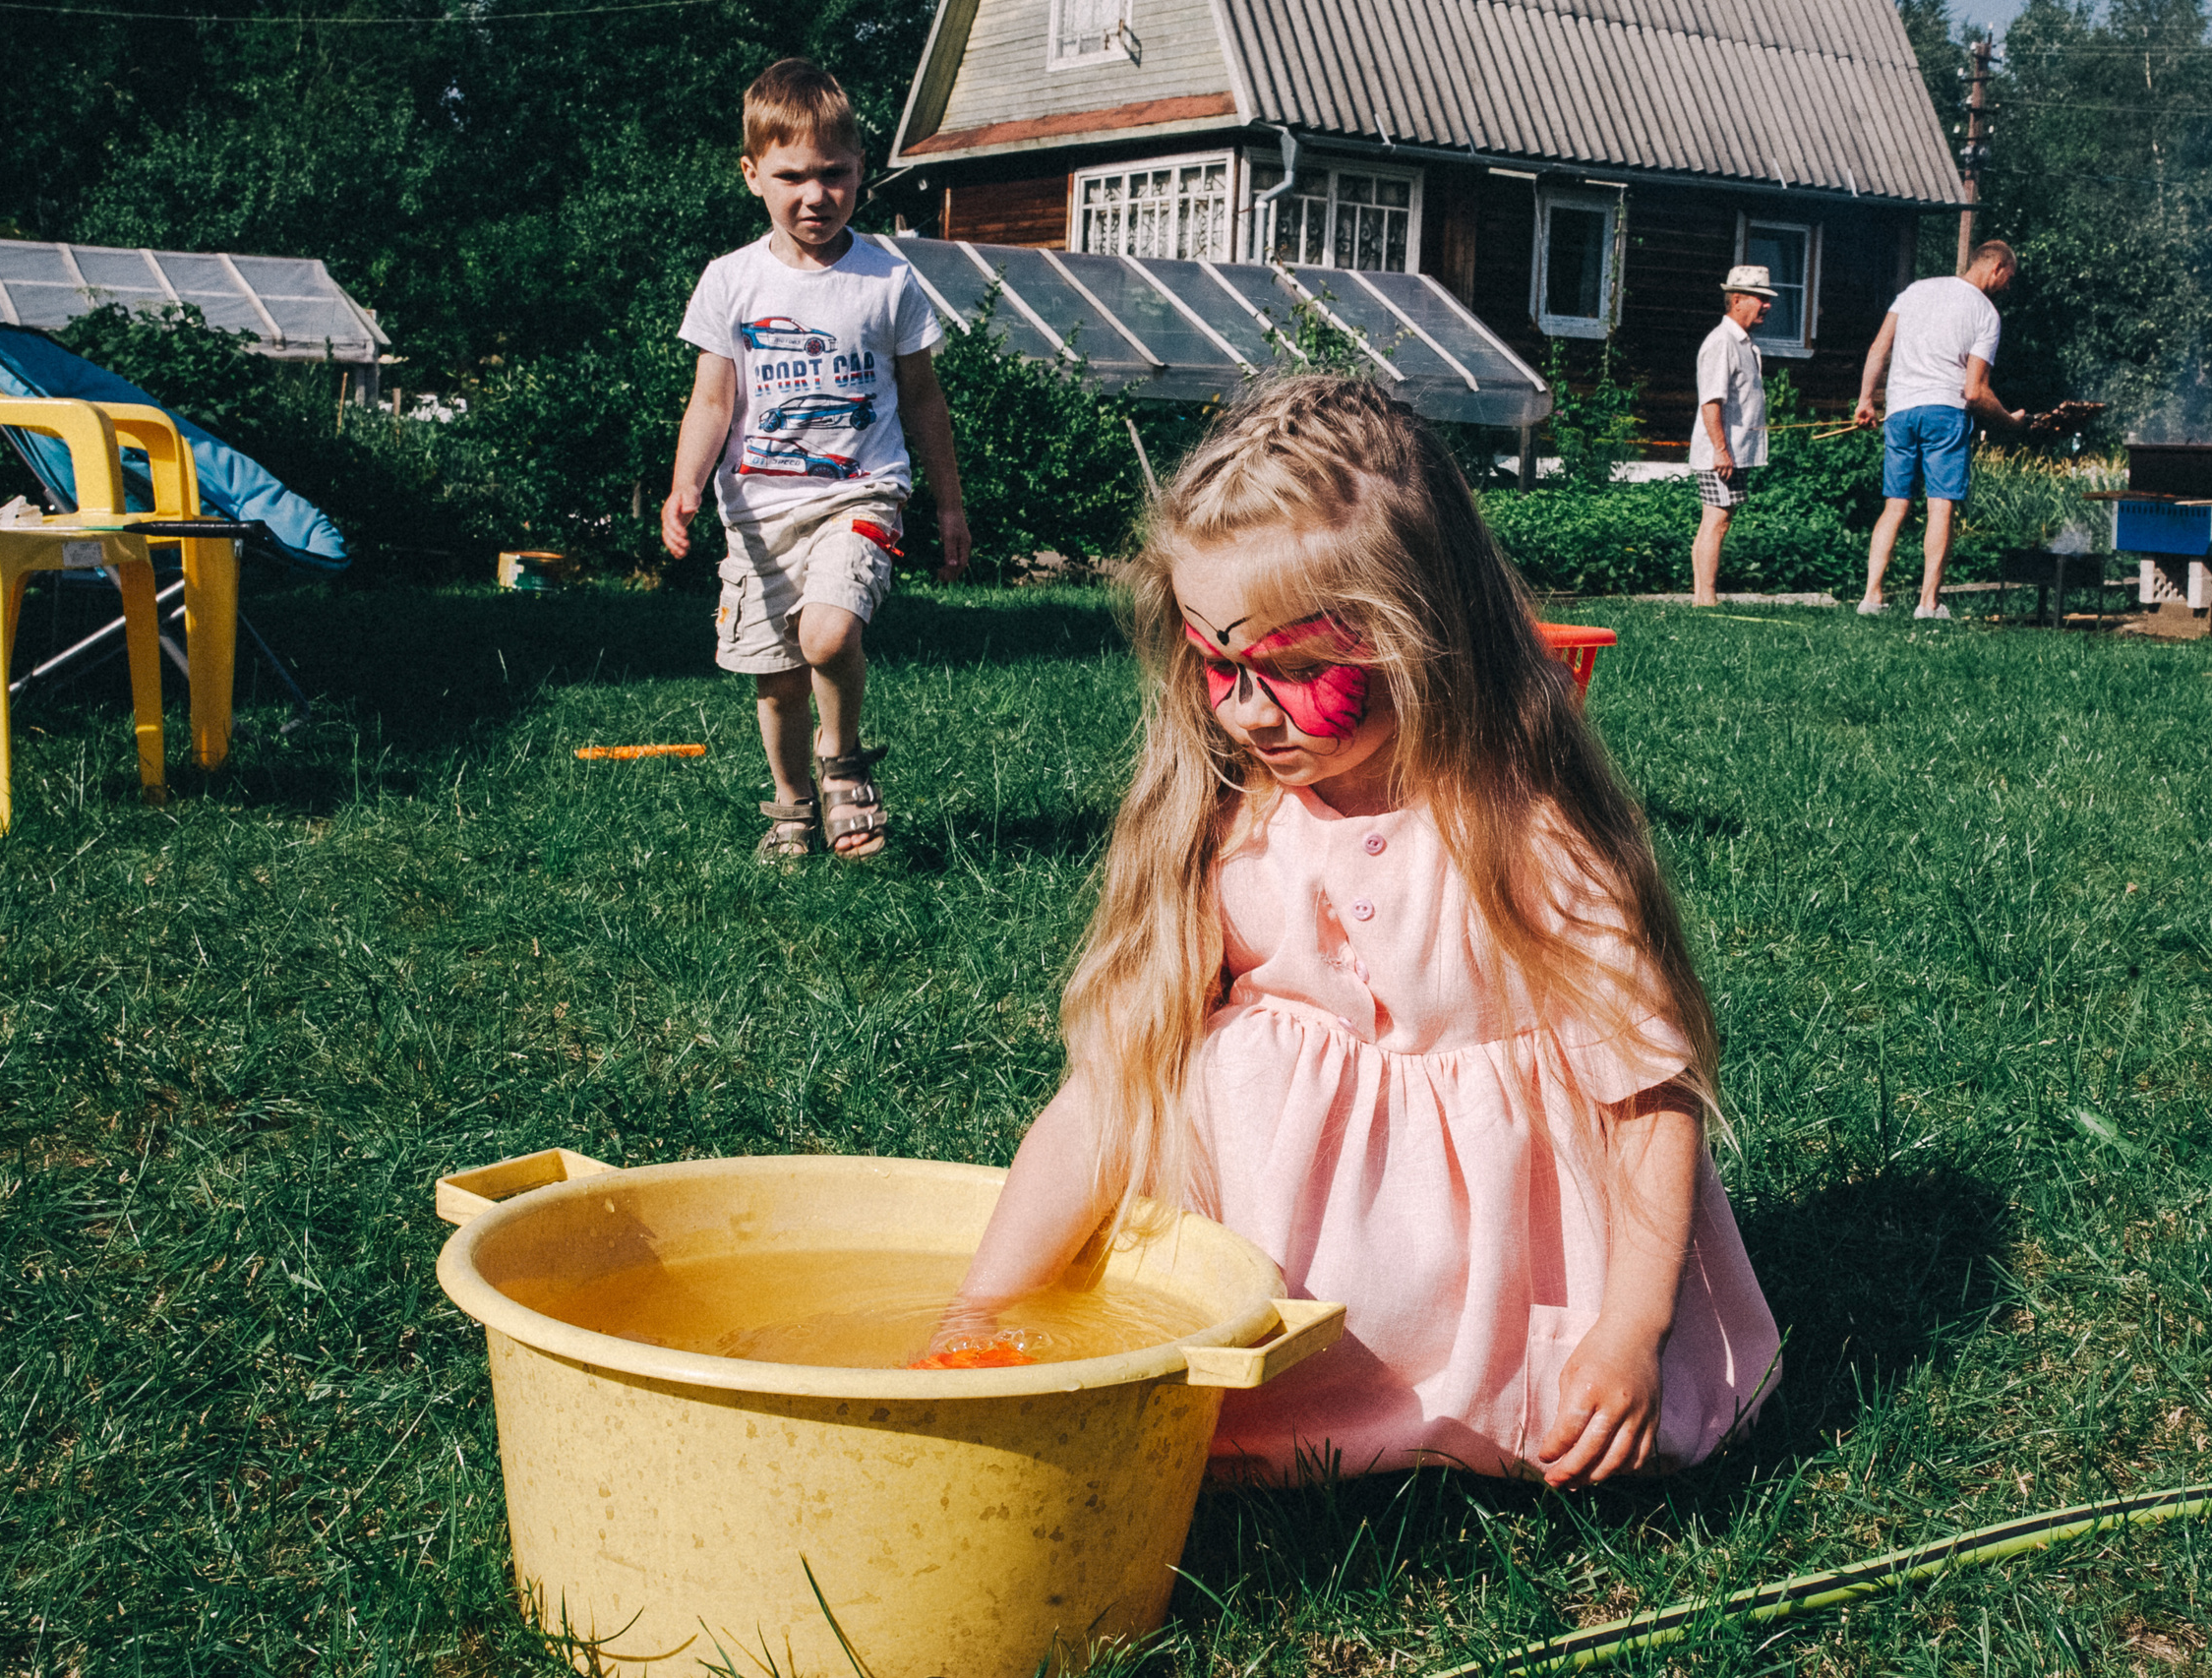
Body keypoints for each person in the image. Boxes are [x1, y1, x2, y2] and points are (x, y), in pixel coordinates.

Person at [933, 376, 1780, 1486]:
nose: (1242, 709)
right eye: (1219, 662)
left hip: (1507, 1314)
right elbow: (1109, 1090)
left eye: (1293, 670)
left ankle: (1450, 1416)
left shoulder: (1523, 838)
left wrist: (1629, 1331)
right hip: (1278, 1307)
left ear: (1426, 634)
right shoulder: (1237, 828)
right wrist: (979, 1310)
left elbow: (1645, 1099)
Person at [662, 57, 972, 860]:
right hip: (757, 514)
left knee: (828, 637)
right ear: (752, 174)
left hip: (860, 495)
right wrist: (686, 483)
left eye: (834, 174)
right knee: (776, 678)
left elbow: (923, 399)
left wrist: (948, 505)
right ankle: (793, 806)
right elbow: (712, 401)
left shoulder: (888, 279)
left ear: (860, 172)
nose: (815, 195)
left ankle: (843, 765)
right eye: (792, 176)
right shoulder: (730, 281)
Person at [1854, 241, 2026, 620]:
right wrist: (2010, 422)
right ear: (1996, 267)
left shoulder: (1914, 291)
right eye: (2007, 279)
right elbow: (1974, 391)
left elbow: (1879, 347)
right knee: (1940, 506)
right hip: (1944, 412)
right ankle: (1928, 604)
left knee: (1895, 505)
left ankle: (1871, 597)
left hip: (1899, 409)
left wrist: (1866, 398)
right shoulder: (1985, 313)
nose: (2006, 288)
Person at [1688, 266, 1776, 607]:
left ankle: (1702, 597)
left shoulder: (1744, 343)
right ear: (1736, 300)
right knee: (1717, 518)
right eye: (1760, 298)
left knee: (1718, 518)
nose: (1767, 306)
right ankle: (1706, 598)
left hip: (1733, 451)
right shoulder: (1721, 342)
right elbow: (1711, 400)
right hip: (1720, 453)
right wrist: (1721, 451)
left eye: (1768, 299)